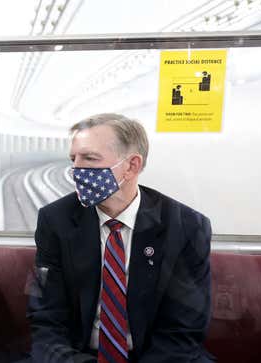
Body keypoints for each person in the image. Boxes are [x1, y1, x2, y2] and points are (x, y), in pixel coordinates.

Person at [27, 113, 213, 363]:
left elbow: (183, 329)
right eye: (74, 159)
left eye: (90, 158)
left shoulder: (186, 227)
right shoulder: (55, 220)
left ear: (132, 165)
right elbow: (47, 319)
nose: (76, 170)